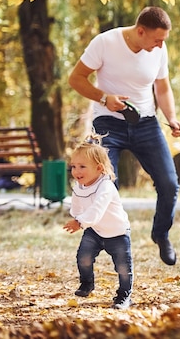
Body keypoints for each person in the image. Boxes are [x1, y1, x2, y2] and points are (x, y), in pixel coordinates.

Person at [68, 6, 180, 266]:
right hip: (108, 123)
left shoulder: (159, 49)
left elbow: (162, 87)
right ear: (140, 31)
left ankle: (161, 233)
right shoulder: (105, 43)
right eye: (156, 39)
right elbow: (75, 79)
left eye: (163, 40)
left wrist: (172, 117)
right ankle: (110, 241)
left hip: (146, 124)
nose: (160, 45)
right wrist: (103, 97)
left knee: (169, 184)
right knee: (107, 187)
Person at [63, 133, 133, 310]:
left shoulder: (106, 186)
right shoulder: (80, 185)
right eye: (74, 166)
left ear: (99, 168)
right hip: (94, 230)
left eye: (82, 167)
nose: (76, 171)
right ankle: (87, 283)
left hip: (117, 232)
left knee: (123, 268)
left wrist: (80, 222)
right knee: (83, 258)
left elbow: (97, 208)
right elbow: (77, 203)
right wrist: (77, 216)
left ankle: (124, 295)